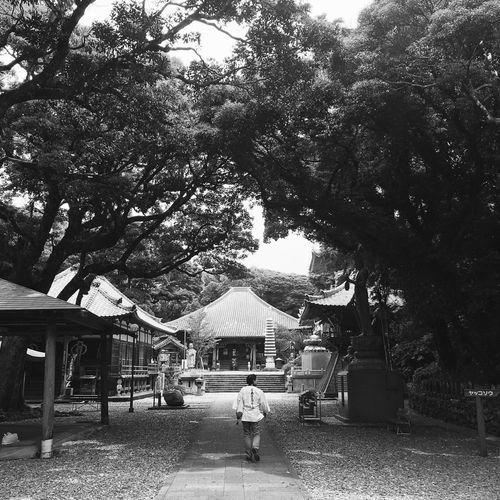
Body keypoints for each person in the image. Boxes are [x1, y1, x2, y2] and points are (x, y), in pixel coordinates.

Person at [233, 373, 271, 463]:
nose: (257, 381)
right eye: (256, 379)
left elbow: (238, 403)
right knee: (256, 433)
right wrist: (265, 412)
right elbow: (263, 404)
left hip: (245, 415)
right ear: (253, 381)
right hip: (255, 415)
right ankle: (255, 447)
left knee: (247, 434)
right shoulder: (259, 391)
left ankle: (249, 454)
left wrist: (238, 416)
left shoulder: (242, 390)